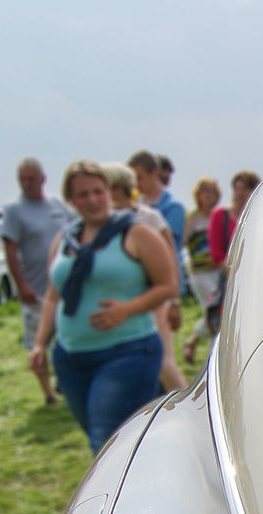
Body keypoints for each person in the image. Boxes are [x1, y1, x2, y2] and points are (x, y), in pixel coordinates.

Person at [29, 160, 177, 453]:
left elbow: (168, 285)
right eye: (83, 195)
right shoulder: (64, 240)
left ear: (109, 192)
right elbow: (53, 295)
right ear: (71, 201)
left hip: (127, 352)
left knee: (107, 442)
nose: (93, 200)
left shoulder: (136, 233)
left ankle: (121, 497)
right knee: (105, 443)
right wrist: (39, 345)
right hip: (71, 358)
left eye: (98, 191)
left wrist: (126, 309)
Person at [104, 163, 185, 392]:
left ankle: (193, 415)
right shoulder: (103, 223)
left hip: (153, 301)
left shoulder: (149, 218)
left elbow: (172, 260)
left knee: (163, 363)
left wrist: (175, 302)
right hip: (120, 304)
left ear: (117, 188)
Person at [2, 157, 74, 404]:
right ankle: (47, 392)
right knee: (38, 342)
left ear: (43, 179)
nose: (27, 184)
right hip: (36, 288)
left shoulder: (57, 205)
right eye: (22, 179)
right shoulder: (14, 210)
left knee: (64, 339)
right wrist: (20, 284)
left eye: (31, 179)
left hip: (64, 288)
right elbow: (10, 249)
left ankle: (63, 383)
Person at [185, 170, 260, 363]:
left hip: (245, 276)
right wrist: (231, 270)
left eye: (245, 189)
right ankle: (216, 362)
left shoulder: (256, 216)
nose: (240, 193)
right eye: (237, 188)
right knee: (219, 318)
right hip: (215, 275)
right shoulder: (221, 215)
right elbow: (216, 250)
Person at [130, 150, 186, 332]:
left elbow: (171, 253)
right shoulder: (135, 206)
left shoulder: (173, 207)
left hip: (161, 285)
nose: (136, 184)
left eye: (139, 177)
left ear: (154, 173)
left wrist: (174, 299)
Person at [181, 177, 222, 357]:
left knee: (220, 308)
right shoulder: (192, 217)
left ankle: (203, 343)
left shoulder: (219, 215)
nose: (207, 196)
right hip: (200, 271)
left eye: (211, 192)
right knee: (215, 308)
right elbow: (182, 241)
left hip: (219, 269)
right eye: (204, 192)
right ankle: (198, 343)